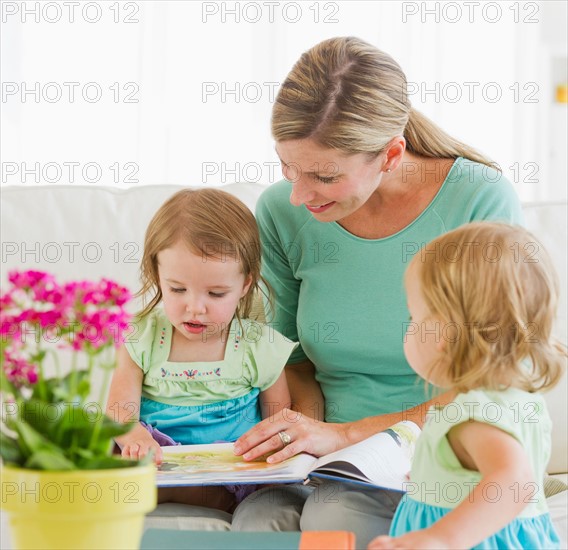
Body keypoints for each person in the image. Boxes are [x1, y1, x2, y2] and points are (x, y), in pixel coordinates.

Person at [230, 36, 523, 545]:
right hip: (328, 457)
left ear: (390, 154)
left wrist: (347, 437)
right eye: (287, 168)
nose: (299, 195)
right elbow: (289, 358)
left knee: (332, 519)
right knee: (258, 522)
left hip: (436, 448)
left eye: (324, 176)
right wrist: (299, 442)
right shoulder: (282, 211)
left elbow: (489, 384)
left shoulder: (478, 200)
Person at [368, 222, 564, 549]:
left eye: (414, 318)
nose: (410, 328)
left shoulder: (472, 415)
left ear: (443, 335)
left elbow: (514, 480)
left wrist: (439, 539)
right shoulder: (520, 400)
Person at [106, 188, 296, 512]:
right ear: (157, 276)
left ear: (245, 285)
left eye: (216, 293)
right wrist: (134, 436)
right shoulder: (142, 336)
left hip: (230, 468)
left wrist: (274, 455)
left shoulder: (258, 346)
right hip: (157, 460)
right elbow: (119, 411)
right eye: (177, 289)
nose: (195, 308)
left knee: (251, 494)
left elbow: (278, 421)